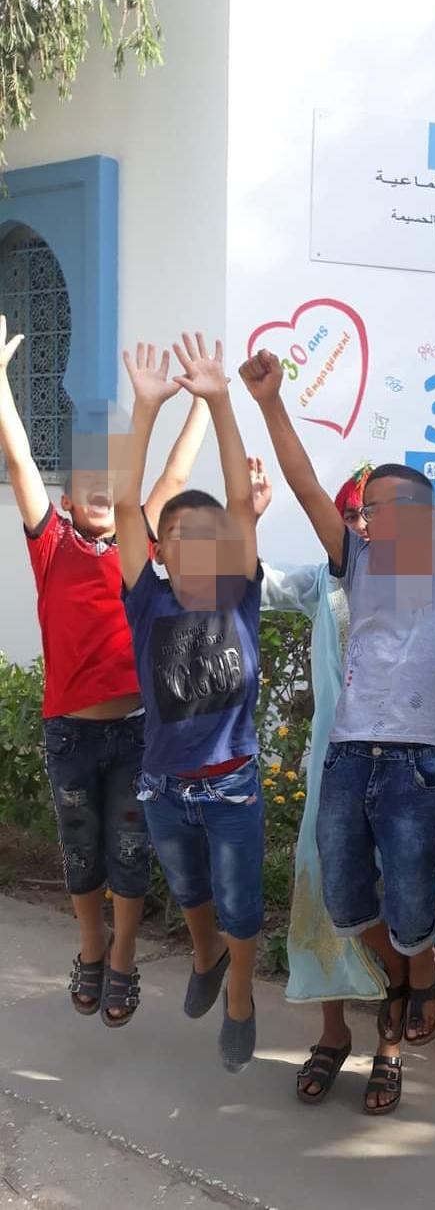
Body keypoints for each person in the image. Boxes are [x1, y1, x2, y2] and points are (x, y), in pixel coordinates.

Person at [240, 324, 435, 1114]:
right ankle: (411, 974)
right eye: (367, 508)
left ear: (420, 514)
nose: (367, 515)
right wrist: (271, 402)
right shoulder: (355, 564)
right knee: (347, 903)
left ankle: (420, 971)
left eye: (381, 505)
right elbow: (307, 485)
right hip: (348, 758)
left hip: (418, 763)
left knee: (414, 902)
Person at [0, 315, 208, 1027]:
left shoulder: (136, 543)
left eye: (110, 479)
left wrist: (203, 404)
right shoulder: (51, 546)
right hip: (70, 734)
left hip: (134, 734)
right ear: (65, 500)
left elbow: (175, 473)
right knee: (81, 854)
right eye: (86, 479)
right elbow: (20, 461)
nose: (99, 486)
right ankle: (91, 948)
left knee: (129, 851)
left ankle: (121, 957)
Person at [116, 334, 264, 1073]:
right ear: (160, 551)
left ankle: (238, 995)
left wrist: (221, 400)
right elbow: (125, 505)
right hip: (165, 784)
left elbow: (238, 501)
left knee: (240, 902)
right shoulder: (147, 600)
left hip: (231, 780)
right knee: (188, 890)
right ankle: (206, 957)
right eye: (178, 534)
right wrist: (146, 409)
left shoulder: (239, 592)